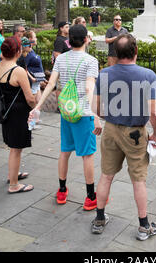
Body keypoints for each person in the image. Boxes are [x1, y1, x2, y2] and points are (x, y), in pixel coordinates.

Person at [91, 34, 156, 241]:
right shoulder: (148, 75)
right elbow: (155, 113)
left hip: (111, 130)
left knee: (106, 176)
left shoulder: (104, 73)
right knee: (138, 180)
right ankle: (143, 227)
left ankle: (99, 220)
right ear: (136, 51)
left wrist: (109, 117)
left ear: (115, 52)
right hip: (135, 133)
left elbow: (95, 107)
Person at [30, 24, 102, 210]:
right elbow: (89, 88)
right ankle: (90, 196)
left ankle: (62, 190)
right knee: (87, 155)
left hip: (66, 111)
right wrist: (95, 115)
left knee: (65, 151)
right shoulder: (91, 61)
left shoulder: (61, 59)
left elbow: (51, 84)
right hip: (84, 114)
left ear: (69, 41)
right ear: (87, 39)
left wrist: (38, 106)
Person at [0, 37, 36, 193]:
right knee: (16, 149)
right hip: (18, 114)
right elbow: (29, 98)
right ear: (18, 51)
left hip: (6, 111)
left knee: (13, 146)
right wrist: (36, 107)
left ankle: (13, 174)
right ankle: (14, 184)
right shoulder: (17, 70)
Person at [23, 31, 45, 120]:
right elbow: (24, 67)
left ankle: (35, 119)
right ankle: (31, 120)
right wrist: (32, 78)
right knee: (32, 102)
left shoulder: (32, 50)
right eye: (34, 37)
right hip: (32, 81)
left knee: (39, 102)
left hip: (37, 80)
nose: (36, 39)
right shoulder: (27, 52)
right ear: (30, 39)